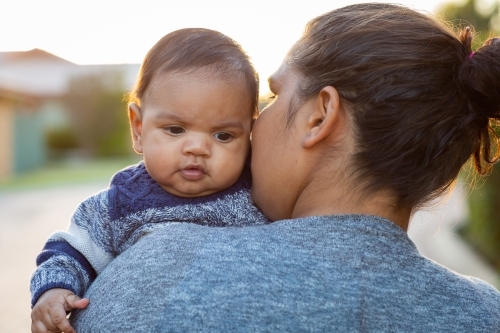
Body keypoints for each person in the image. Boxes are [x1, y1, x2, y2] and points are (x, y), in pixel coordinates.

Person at [71, 3, 500, 332]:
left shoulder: (156, 271)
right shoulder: (484, 313)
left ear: (319, 116)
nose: (256, 126)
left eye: (274, 97)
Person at [30, 28, 269, 333]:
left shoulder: (259, 189)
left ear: (250, 135)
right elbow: (69, 252)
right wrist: (53, 292)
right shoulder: (120, 204)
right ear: (138, 128)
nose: (197, 147)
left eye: (223, 135)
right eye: (175, 129)